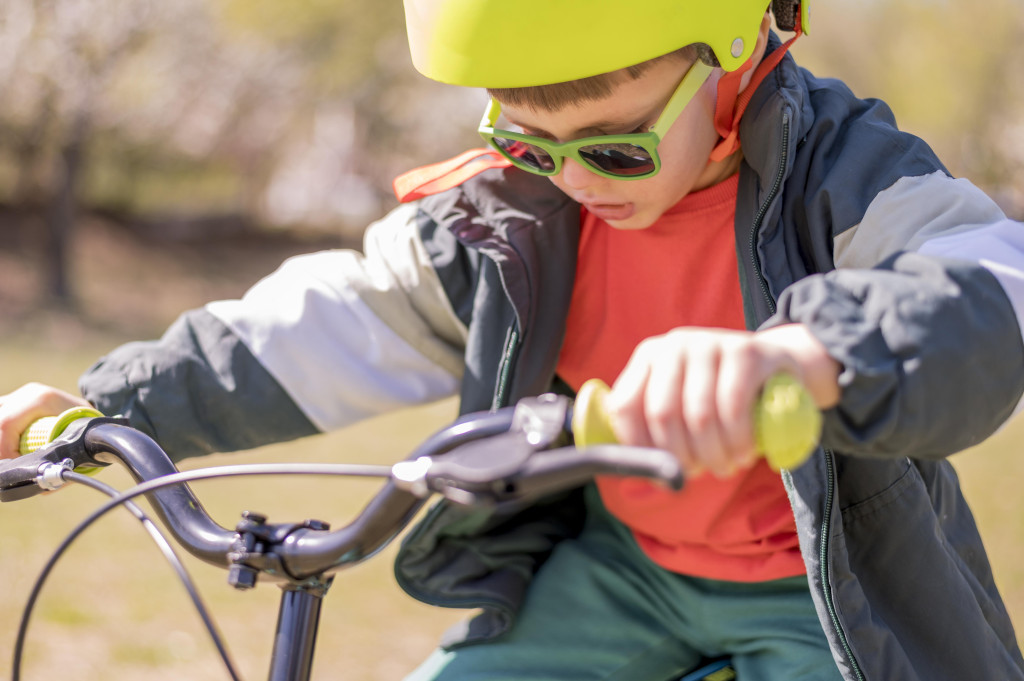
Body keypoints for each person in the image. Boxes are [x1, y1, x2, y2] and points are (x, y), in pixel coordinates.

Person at [2, 0, 1024, 678]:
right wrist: (107, 406)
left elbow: (989, 284)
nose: (573, 180)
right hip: (619, 573)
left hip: (825, 596)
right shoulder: (507, 218)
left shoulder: (844, 178)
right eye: (526, 141)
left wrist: (807, 351)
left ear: (740, 53)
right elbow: (316, 327)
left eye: (616, 148)